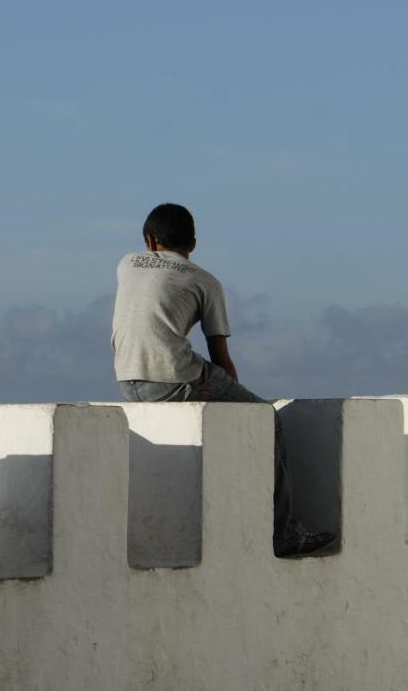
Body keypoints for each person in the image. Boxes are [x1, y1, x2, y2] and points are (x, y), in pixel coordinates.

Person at [111, 202, 336, 557]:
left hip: (128, 380)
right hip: (174, 379)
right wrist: (236, 396)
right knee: (265, 419)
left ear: (150, 241)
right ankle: (284, 533)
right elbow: (220, 356)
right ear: (194, 243)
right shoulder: (205, 281)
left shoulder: (127, 263)